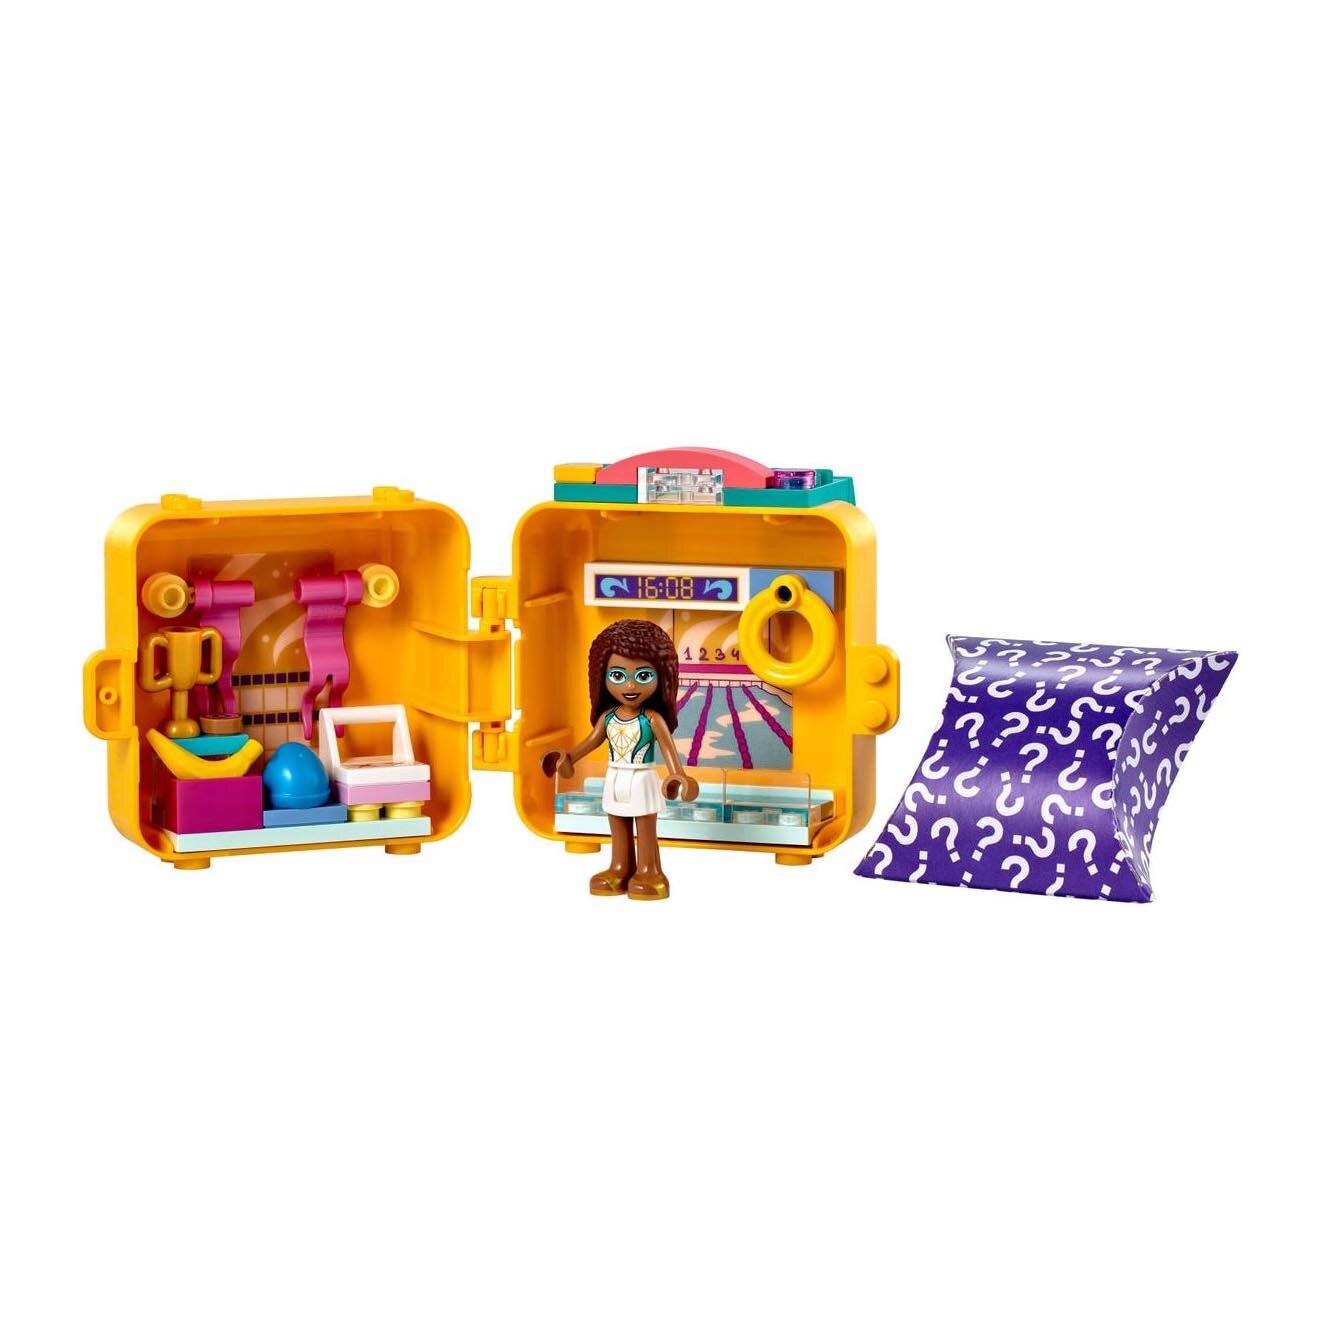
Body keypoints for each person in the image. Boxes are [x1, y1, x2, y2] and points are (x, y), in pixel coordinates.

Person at [542, 619, 699, 900]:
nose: (629, 685)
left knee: (645, 824)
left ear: (662, 677)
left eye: (643, 676)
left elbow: (669, 752)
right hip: (614, 776)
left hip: (642, 777)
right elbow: (589, 743)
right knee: (616, 821)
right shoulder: (608, 718)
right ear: (602, 676)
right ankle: (620, 867)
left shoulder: (652, 719)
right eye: (617, 675)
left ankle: (650, 870)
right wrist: (568, 758)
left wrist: (678, 775)